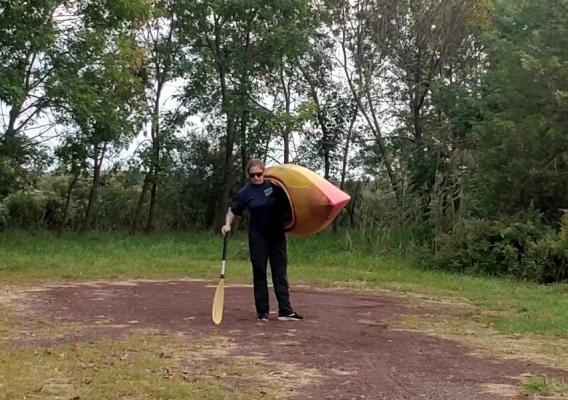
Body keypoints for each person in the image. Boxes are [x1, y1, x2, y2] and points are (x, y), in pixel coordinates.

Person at [221, 159, 303, 322]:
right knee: (259, 272)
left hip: (277, 235)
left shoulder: (275, 187)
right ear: (249, 176)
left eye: (259, 174)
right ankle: (262, 311)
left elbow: (293, 202)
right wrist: (227, 224)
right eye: (252, 175)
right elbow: (233, 211)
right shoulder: (246, 192)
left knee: (279, 272)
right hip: (258, 236)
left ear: (264, 173)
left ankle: (285, 311)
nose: (256, 178)